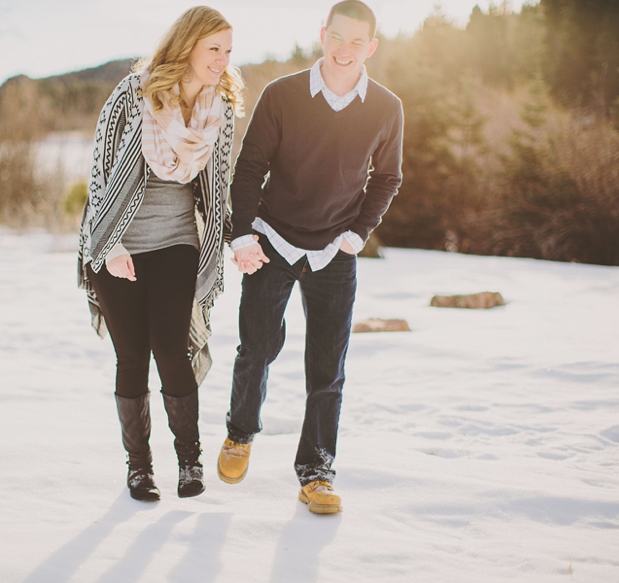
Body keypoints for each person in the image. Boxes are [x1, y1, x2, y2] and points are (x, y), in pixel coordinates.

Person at [216, 0, 403, 514]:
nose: (344, 50)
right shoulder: (283, 95)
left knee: (328, 367)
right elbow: (250, 167)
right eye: (336, 37)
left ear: (371, 47)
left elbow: (388, 177)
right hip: (272, 238)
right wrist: (241, 236)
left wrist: (357, 234)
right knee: (256, 347)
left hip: (334, 252)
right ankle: (240, 433)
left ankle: (317, 471)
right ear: (323, 34)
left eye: (356, 41)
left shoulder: (387, 107)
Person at [77, 6, 242, 502]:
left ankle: (189, 464)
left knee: (171, 349)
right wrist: (110, 244)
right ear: (187, 45)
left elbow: (220, 186)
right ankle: (139, 469)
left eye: (228, 51)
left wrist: (233, 236)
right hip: (117, 242)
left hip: (177, 241)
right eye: (214, 48)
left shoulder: (221, 108)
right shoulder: (134, 93)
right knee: (130, 358)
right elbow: (101, 168)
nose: (222, 59)